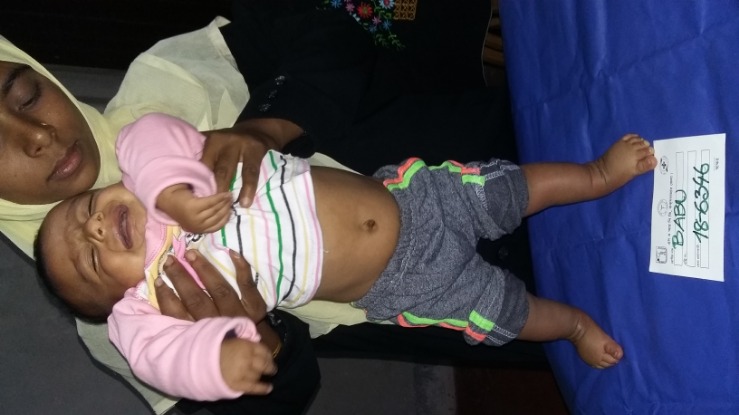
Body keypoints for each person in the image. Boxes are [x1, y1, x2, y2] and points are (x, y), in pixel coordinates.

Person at [0, 0, 536, 412]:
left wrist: (267, 125)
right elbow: (273, 403)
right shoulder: (120, 322)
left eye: (26, 97)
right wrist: (258, 343)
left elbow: (329, 26)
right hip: (462, 298)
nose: (38, 136)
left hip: (486, 156)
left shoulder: (166, 87)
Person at [37, 112, 658, 398]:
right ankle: (573, 326)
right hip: (404, 281)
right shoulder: (147, 306)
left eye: (84, 210)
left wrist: (169, 188)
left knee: (513, 188)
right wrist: (214, 362)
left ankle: (596, 174)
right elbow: (159, 359)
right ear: (118, 299)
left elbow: (146, 135)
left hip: (413, 199)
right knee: (502, 311)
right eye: (89, 256)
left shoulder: (159, 174)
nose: (96, 227)